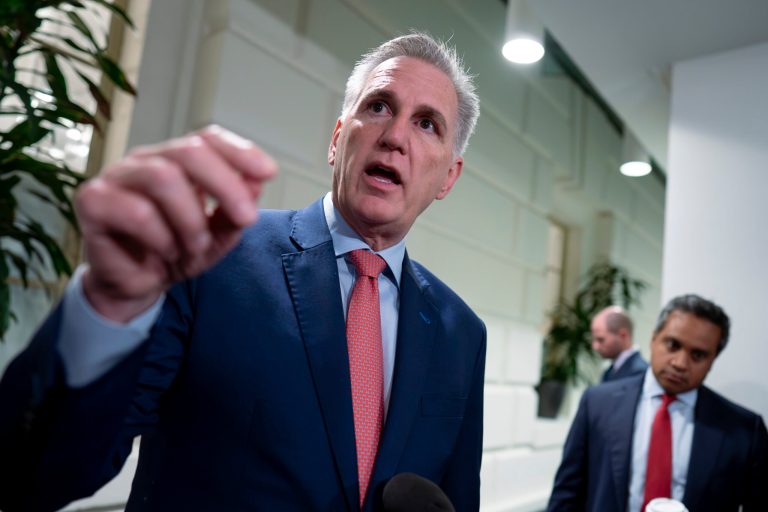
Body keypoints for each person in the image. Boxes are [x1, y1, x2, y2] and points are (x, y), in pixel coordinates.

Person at [0, 33, 486, 512]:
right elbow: (35, 473)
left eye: (427, 124)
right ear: (338, 139)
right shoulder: (210, 255)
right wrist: (107, 307)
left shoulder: (462, 334)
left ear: (448, 176)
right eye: (378, 106)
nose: (395, 137)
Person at [547, 294, 768, 512]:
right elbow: (567, 493)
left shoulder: (744, 431)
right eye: (672, 345)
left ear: (712, 360)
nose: (680, 363)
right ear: (653, 339)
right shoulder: (597, 403)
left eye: (698, 355)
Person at [591, 306, 648, 382]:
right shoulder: (609, 372)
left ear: (623, 335)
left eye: (601, 340)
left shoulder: (640, 373)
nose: (595, 346)